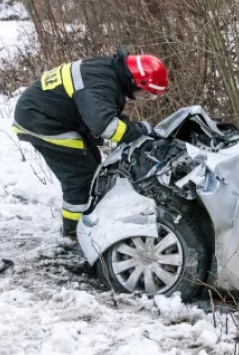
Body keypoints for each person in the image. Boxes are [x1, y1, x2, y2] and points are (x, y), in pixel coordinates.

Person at [13, 47, 168, 238]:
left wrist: (134, 128)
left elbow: (101, 111)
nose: (143, 96)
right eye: (145, 92)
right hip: (42, 121)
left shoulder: (109, 72)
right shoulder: (102, 83)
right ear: (138, 81)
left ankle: (90, 222)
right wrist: (139, 131)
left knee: (94, 169)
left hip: (53, 115)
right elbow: (106, 126)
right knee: (82, 180)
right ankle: (74, 235)